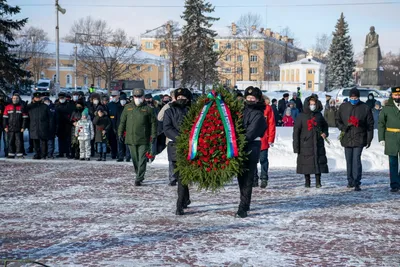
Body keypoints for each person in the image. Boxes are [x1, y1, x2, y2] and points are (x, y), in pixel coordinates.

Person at [236, 86, 267, 218]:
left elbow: (251, 133)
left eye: (252, 98)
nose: (249, 100)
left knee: (248, 179)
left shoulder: (259, 114)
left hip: (251, 147)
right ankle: (245, 202)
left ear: (258, 99)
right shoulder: (241, 111)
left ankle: (243, 207)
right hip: (240, 147)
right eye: (247, 98)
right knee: (240, 178)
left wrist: (237, 140)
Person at [336, 87, 374, 191]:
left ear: (358, 97)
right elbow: (337, 120)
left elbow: (370, 124)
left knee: (356, 159)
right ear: (349, 97)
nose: (353, 99)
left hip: (359, 137)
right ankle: (350, 181)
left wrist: (369, 139)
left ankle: (357, 181)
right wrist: (344, 127)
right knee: (349, 160)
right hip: (347, 137)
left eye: (355, 97)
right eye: (352, 97)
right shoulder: (343, 107)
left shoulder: (365, 107)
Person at [118, 88, 157, 186]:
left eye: (140, 96)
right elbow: (122, 121)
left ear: (143, 97)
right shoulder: (127, 108)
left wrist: (153, 135)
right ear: (133, 97)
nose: (138, 98)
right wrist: (120, 133)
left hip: (143, 138)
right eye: (136, 96)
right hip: (131, 138)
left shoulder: (148, 109)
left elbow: (153, 123)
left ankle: (139, 177)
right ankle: (138, 174)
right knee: (135, 159)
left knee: (142, 158)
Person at [163, 88, 193, 215]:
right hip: (175, 146)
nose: (181, 99)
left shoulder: (193, 111)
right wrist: (181, 138)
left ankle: (179, 204)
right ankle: (185, 199)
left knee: (183, 176)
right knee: (180, 175)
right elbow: (167, 128)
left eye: (183, 97)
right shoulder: (169, 111)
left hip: (190, 147)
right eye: (178, 97)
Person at [293, 95, 329, 188]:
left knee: (318, 162)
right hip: (305, 143)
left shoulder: (319, 115)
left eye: (314, 104)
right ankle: (307, 182)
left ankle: (318, 181)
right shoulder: (301, 116)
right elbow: (296, 131)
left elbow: (325, 126)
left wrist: (325, 133)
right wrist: (296, 147)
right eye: (311, 104)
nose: (312, 106)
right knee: (306, 164)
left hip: (317, 142)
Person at [378, 87, 400, 192]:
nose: (398, 97)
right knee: (393, 162)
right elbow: (381, 123)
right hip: (391, 137)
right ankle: (394, 184)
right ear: (392, 95)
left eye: (399, 95)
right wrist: (381, 138)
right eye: (396, 95)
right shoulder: (387, 108)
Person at [254, 96, 276, 188]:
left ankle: (264, 178)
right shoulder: (251, 108)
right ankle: (254, 179)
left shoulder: (267, 108)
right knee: (253, 160)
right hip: (252, 139)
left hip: (264, 139)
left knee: (263, 159)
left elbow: (271, 124)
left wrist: (271, 138)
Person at [158, 90, 177, 186]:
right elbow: (159, 117)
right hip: (171, 137)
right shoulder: (169, 107)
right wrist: (168, 105)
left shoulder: (187, 105)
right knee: (172, 159)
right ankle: (172, 178)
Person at [3, 93, 28, 158]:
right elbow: (5, 118)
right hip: (10, 128)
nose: (15, 99)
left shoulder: (22, 107)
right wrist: (5, 126)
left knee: (19, 142)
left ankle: (19, 154)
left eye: (16, 98)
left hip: (19, 128)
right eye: (14, 98)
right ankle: (11, 154)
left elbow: (25, 118)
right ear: (12, 99)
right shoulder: (8, 107)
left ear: (19, 99)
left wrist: (23, 127)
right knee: (10, 141)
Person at [27, 92, 50, 160]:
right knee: (35, 141)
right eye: (36, 97)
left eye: (39, 97)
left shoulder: (45, 106)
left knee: (43, 141)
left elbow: (49, 117)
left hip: (43, 126)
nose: (37, 98)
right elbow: (24, 112)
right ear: (33, 98)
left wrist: (49, 126)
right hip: (34, 126)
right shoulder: (30, 106)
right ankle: (37, 154)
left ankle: (43, 154)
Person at [55, 92, 74, 158]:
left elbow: (71, 113)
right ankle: (61, 152)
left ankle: (68, 152)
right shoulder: (56, 105)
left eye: (63, 98)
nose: (61, 99)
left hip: (67, 125)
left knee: (68, 140)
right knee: (60, 139)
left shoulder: (69, 105)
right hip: (60, 124)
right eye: (60, 98)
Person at [116, 94, 131, 162]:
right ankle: (120, 156)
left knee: (127, 143)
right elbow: (115, 119)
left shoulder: (129, 108)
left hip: (127, 128)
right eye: (121, 100)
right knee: (120, 143)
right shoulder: (118, 107)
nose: (123, 101)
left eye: (124, 100)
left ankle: (128, 156)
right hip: (119, 128)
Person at [108, 91, 121, 159]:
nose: (113, 97)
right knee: (112, 140)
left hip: (119, 124)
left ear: (118, 96)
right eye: (112, 96)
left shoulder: (120, 104)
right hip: (111, 124)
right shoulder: (109, 105)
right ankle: (113, 153)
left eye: (114, 96)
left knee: (119, 140)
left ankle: (120, 154)